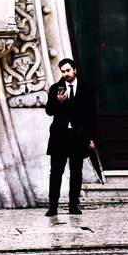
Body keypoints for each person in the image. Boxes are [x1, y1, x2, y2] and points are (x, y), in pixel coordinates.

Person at [45, 57, 97, 219]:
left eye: (68, 70)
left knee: (76, 172)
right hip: (60, 137)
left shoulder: (87, 89)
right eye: (62, 72)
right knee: (56, 172)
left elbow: (92, 117)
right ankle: (52, 206)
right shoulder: (56, 89)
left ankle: (73, 205)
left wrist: (91, 139)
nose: (65, 74)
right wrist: (59, 102)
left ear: (74, 70)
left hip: (78, 137)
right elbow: (49, 111)